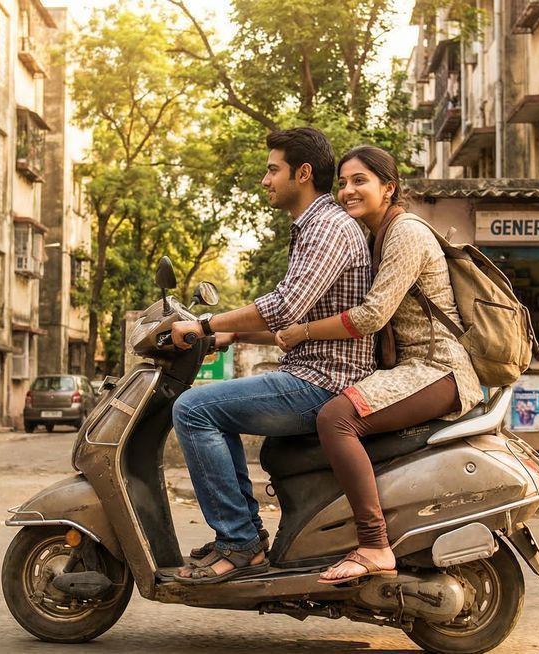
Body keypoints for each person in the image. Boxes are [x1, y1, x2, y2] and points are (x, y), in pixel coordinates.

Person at [167, 127, 373, 583]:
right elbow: (292, 323)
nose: (265, 180)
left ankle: (239, 543)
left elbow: (284, 306)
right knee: (215, 410)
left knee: (193, 409)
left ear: (302, 173)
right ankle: (242, 537)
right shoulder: (315, 227)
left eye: (272, 169)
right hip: (313, 370)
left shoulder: (328, 227)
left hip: (322, 383)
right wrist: (235, 338)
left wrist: (204, 324)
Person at [275, 145, 483, 584]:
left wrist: (305, 333)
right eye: (344, 183)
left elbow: (371, 316)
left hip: (437, 369)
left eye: (360, 181)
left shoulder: (406, 233)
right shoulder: (373, 236)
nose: (348, 191)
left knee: (336, 418)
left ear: (388, 188)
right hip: (406, 370)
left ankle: (374, 544)